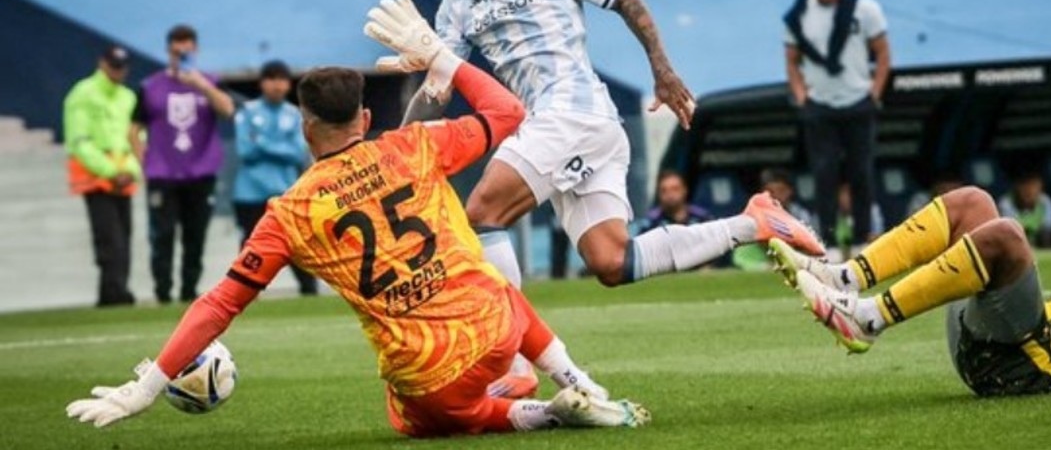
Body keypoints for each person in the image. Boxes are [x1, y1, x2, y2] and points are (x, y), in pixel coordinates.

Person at [65, 57, 648, 436]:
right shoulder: (414, 146)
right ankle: (579, 383)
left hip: (431, 376)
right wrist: (443, 57)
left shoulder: (290, 213)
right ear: (365, 118)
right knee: (497, 292)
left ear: (303, 126)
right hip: (498, 332)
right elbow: (509, 111)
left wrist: (147, 387)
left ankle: (544, 415)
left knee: (416, 419)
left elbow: (219, 304)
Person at [367, 0, 822, 396]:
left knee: (484, 211)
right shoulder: (456, 3)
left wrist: (661, 69)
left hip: (572, 113)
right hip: (569, 130)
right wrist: (398, 151)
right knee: (611, 261)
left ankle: (517, 364)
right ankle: (754, 221)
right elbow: (440, 82)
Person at [769, 171, 1051, 396]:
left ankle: (868, 319)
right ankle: (844, 277)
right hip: (1004, 345)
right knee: (974, 202)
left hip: (1032, 367)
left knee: (1007, 235)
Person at [784, 0, 891, 254]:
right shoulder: (799, 13)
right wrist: (801, 96)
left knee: (861, 174)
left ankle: (860, 241)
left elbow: (883, 54)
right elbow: (791, 60)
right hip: (820, 105)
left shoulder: (864, 9)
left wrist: (875, 93)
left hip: (859, 101)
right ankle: (828, 244)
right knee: (824, 176)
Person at [130, 25, 235, 303]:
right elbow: (134, 129)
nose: (182, 54)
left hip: (201, 173)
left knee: (195, 236)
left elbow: (227, 110)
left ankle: (189, 292)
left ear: (195, 49)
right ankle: (162, 293)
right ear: (169, 51)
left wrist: (200, 85)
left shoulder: (210, 81)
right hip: (162, 175)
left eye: (187, 49)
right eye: (177, 50)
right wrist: (145, 161)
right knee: (162, 236)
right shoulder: (151, 86)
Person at [63, 46, 142, 307]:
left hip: (124, 178)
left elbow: (137, 137)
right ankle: (113, 292)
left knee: (124, 237)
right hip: (95, 178)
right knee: (109, 240)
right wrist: (110, 171)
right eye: (114, 65)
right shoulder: (82, 94)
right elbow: (79, 141)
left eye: (122, 66)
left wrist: (130, 170)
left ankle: (117, 290)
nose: (118, 71)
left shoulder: (128, 97)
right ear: (102, 63)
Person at [232, 60, 315, 295]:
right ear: (262, 83)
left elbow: (297, 153)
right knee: (251, 246)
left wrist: (263, 143)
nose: (277, 85)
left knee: (297, 246)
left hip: (284, 192)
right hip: (249, 193)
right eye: (272, 79)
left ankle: (309, 292)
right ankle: (241, 294)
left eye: (282, 80)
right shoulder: (248, 111)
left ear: (289, 84)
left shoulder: (295, 114)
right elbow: (244, 150)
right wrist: (280, 147)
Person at [997, 172, 1051, 248]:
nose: (1029, 190)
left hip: (1039, 245)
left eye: (1033, 185)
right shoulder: (1005, 203)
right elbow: (1011, 234)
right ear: (1017, 186)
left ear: (1040, 186)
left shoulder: (1047, 203)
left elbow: (1047, 232)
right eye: (1024, 185)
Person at [641, 170, 714, 231]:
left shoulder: (702, 219)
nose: (670, 195)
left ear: (685, 190)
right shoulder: (651, 222)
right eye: (664, 190)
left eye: (675, 189)